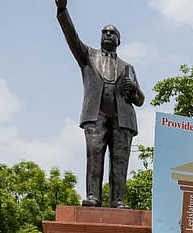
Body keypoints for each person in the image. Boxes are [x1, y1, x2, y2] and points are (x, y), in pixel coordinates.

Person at [55, 0, 144, 209]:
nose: (107, 35)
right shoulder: (88, 56)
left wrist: (134, 90)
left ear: (118, 40)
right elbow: (72, 37)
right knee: (94, 157)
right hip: (97, 115)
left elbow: (140, 100)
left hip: (123, 120)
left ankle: (118, 200)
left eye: (112, 33)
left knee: (119, 163)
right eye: (104, 32)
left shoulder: (128, 67)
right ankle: (93, 196)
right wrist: (62, 11)